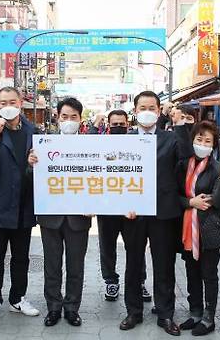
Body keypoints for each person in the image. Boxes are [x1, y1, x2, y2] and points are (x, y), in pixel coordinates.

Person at [119, 91, 188, 336]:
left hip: (164, 211)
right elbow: (114, 176)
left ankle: (166, 313)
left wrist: (180, 126)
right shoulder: (123, 140)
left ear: (159, 112)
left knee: (164, 264)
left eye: (152, 107)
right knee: (133, 263)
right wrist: (121, 205)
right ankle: (133, 311)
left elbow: (186, 159)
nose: (147, 111)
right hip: (133, 213)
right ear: (135, 111)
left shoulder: (171, 138)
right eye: (142, 107)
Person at [28, 97, 91, 327]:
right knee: (51, 265)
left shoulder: (92, 147)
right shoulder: (44, 145)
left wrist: (97, 204)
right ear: (57, 117)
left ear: (80, 119)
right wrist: (31, 164)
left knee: (76, 266)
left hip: (79, 217)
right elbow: (31, 180)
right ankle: (53, 307)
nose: (69, 121)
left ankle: (72, 308)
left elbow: (99, 180)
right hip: (50, 217)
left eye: (74, 117)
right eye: (65, 116)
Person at [0, 87, 40, 322]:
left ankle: (18, 298)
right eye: (3, 102)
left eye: (12, 101)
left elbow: (38, 167)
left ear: (21, 103)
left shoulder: (32, 131)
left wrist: (33, 163)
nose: (8, 105)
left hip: (23, 204)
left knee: (21, 257)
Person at [176, 121, 220, 336]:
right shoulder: (182, 165)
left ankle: (209, 317)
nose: (203, 143)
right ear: (192, 141)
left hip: (209, 229)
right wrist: (191, 202)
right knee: (191, 272)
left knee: (209, 274)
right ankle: (195, 312)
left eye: (208, 141)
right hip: (187, 228)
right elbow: (174, 195)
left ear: (213, 145)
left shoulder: (217, 167)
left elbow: (218, 200)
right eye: (199, 139)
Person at [95, 110, 151, 302]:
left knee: (136, 248)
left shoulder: (139, 144)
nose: (118, 127)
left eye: (121, 124)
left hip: (131, 209)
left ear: (128, 125)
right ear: (108, 126)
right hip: (106, 207)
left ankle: (139, 282)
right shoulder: (99, 144)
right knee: (107, 247)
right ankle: (111, 281)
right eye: (114, 124)